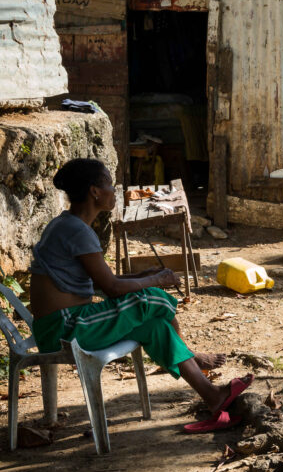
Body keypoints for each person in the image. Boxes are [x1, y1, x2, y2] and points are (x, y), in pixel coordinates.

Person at [29, 159, 250, 433]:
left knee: (154, 325)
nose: (114, 190)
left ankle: (213, 397)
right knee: (154, 298)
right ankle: (191, 355)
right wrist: (155, 280)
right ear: (95, 192)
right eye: (109, 184)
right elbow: (110, 288)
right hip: (66, 328)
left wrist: (144, 274)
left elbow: (105, 280)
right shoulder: (76, 231)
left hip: (68, 325)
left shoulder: (67, 225)